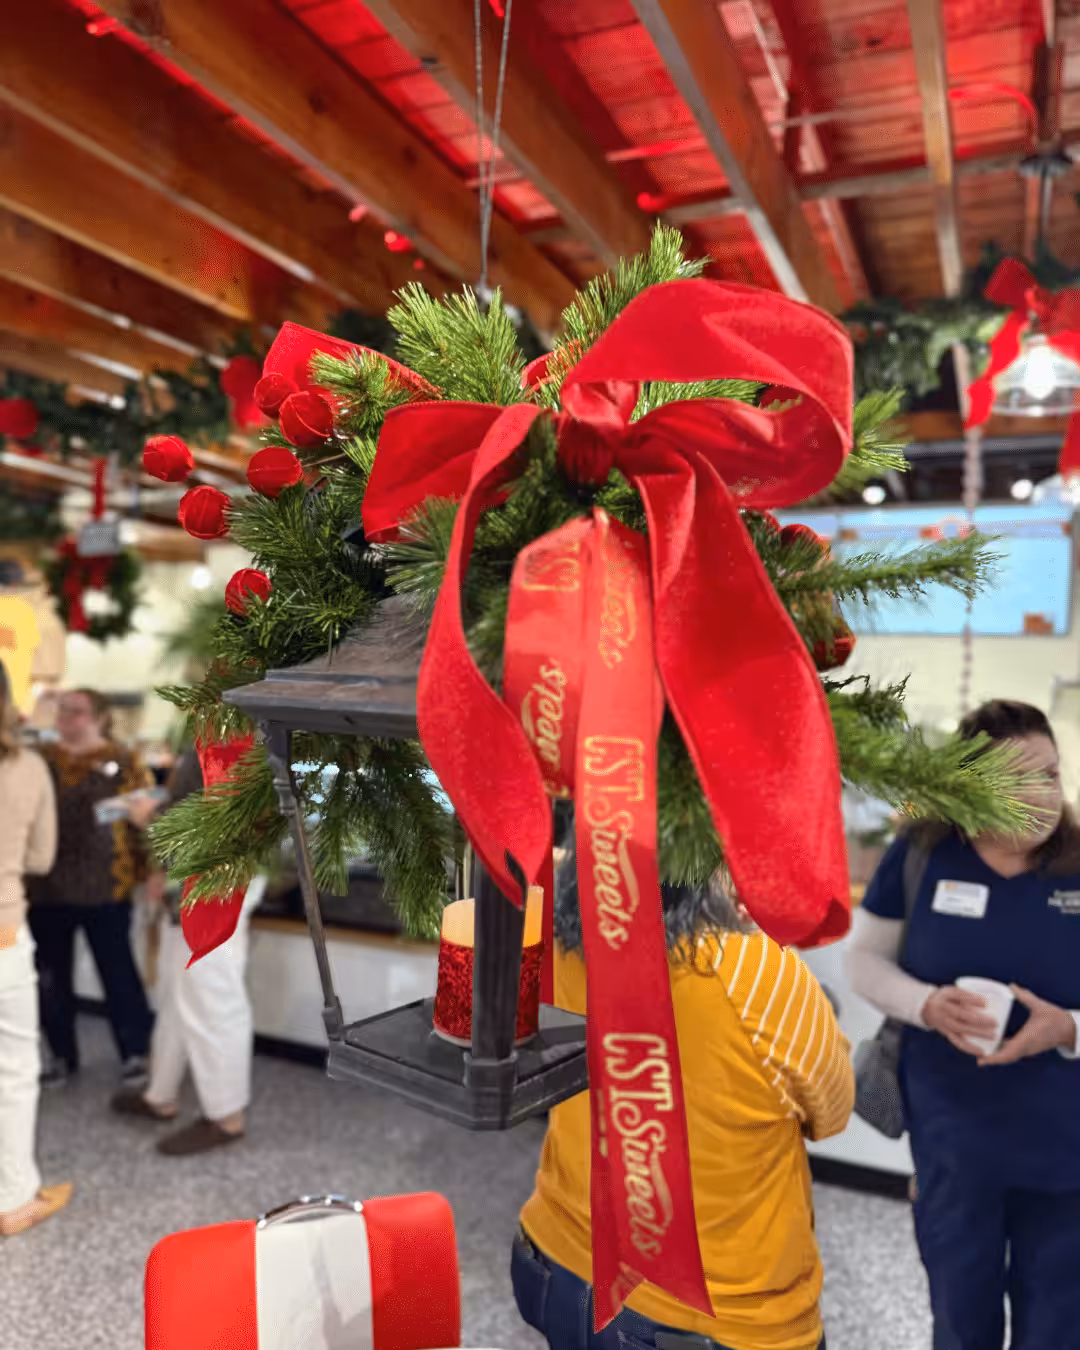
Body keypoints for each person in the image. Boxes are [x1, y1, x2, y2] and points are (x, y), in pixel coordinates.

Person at [513, 844, 853, 1350]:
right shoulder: (757, 972)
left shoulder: (559, 937)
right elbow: (833, 1112)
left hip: (555, 1260)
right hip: (710, 1319)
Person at [847, 700, 1080, 1350]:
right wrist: (925, 1003)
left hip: (1066, 1146)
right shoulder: (923, 854)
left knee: (1058, 1325)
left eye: (1050, 774)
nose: (1042, 795)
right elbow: (864, 961)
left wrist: (1068, 1028)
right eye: (1016, 779)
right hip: (953, 1136)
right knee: (959, 1315)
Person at [111, 748, 266, 1155]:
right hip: (199, 880)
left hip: (216, 882)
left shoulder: (233, 732)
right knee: (180, 995)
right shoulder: (215, 728)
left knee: (213, 998)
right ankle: (160, 1094)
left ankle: (226, 1117)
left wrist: (151, 820)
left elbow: (222, 820)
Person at [28, 688, 154, 1087]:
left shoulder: (124, 759)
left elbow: (149, 813)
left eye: (77, 711)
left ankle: (135, 1054)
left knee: (118, 974)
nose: (66, 716)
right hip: (45, 886)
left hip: (107, 886)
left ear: (100, 718)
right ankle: (61, 1056)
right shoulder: (40, 758)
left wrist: (153, 871)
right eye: (62, 709)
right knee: (51, 977)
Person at [0, 664, 72, 1236]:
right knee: (14, 1070)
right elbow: (40, 858)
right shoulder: (27, 767)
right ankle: (14, 1200)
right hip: (3, 934)